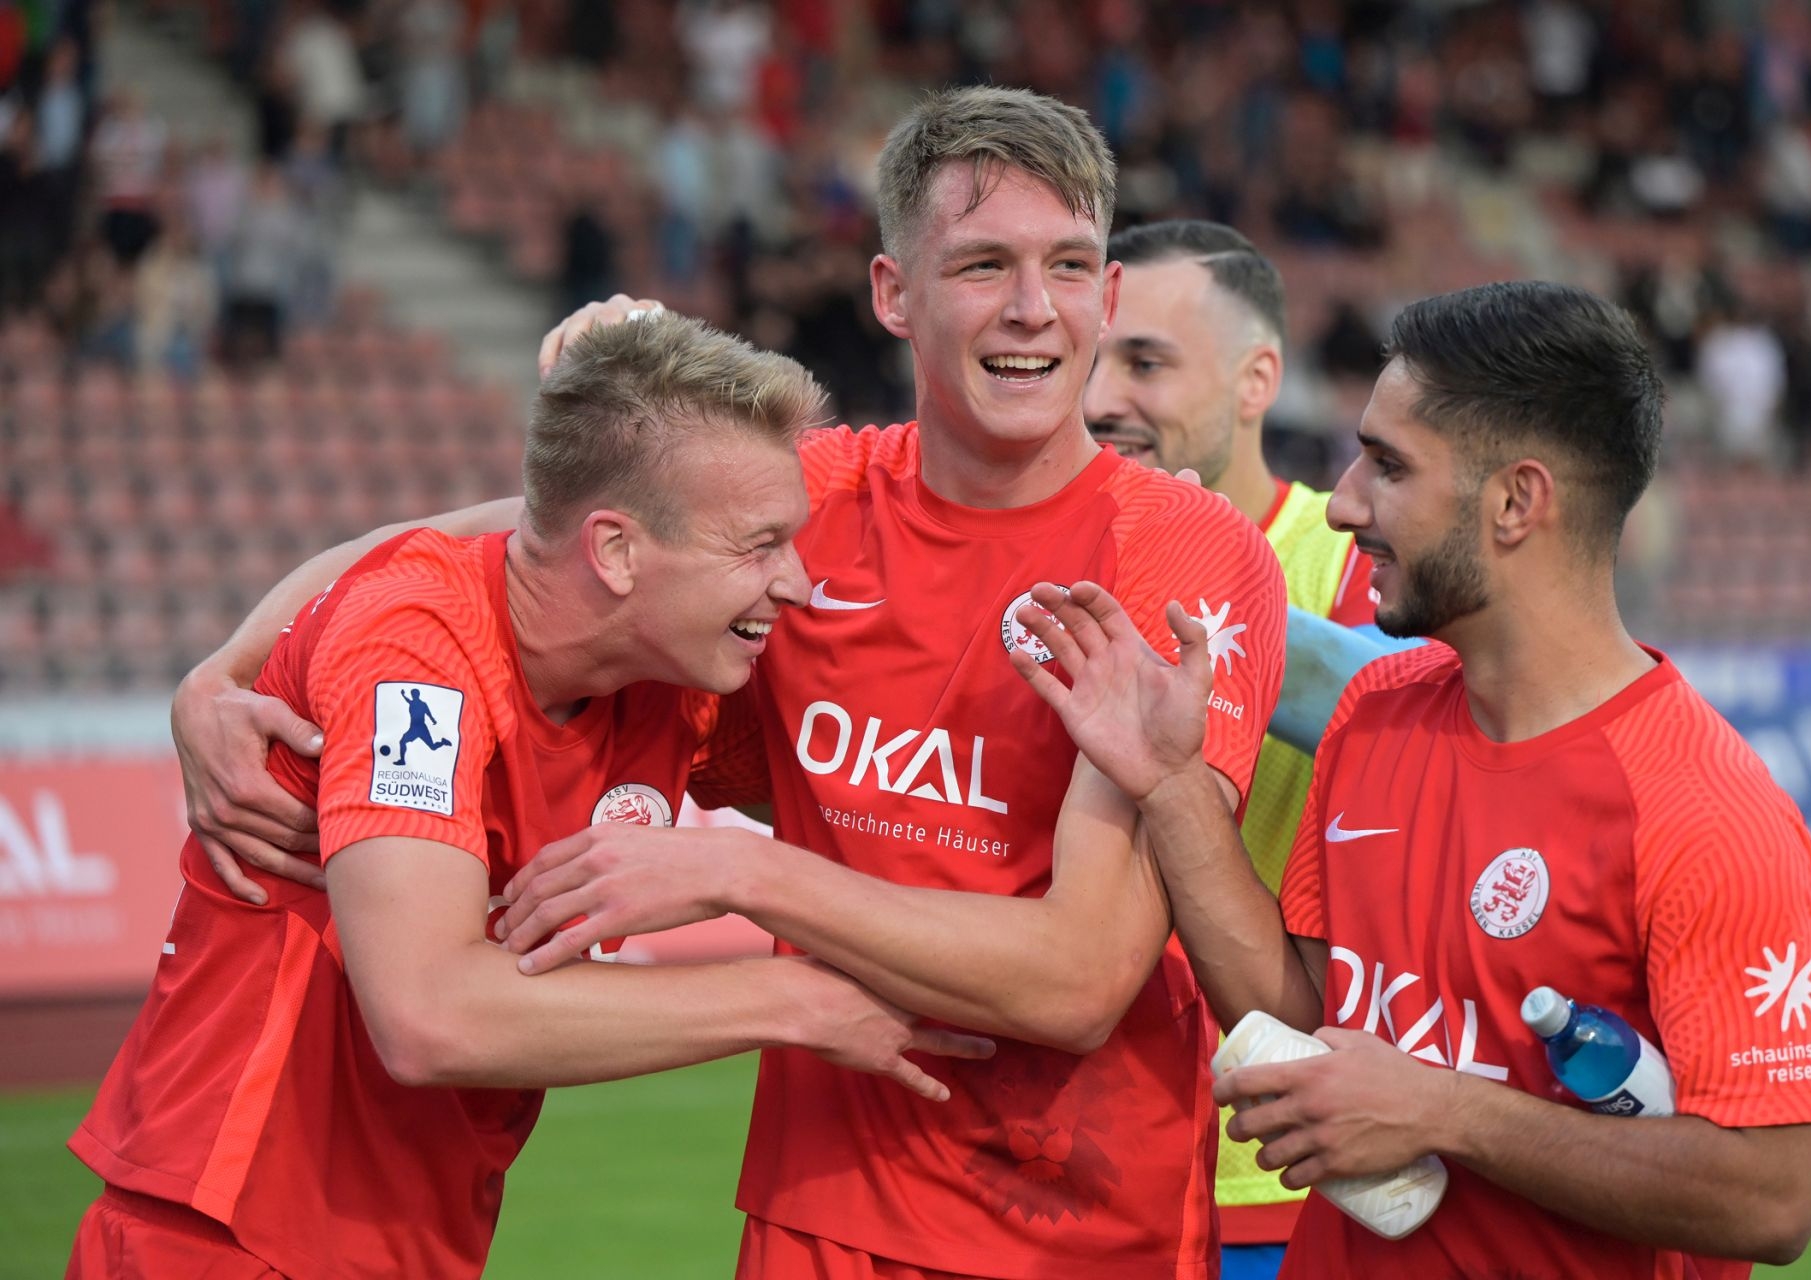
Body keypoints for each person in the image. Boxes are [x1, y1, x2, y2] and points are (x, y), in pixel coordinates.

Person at [171, 87, 1288, 1279]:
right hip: (818, 1210)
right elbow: (511, 543)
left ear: (1106, 295)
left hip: (1086, 1226)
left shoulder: (1183, 551)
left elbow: (1080, 978)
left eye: (1067, 265)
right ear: (892, 293)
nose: (1032, 307)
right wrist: (221, 675)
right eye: (982, 265)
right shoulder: (805, 501)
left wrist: (735, 870)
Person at [67, 315, 989, 1279]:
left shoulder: (668, 684)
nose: (795, 583)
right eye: (759, 547)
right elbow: (429, 1017)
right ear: (617, 554)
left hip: (405, 1243)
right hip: (222, 1235)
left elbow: (894, 809)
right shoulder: (416, 650)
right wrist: (794, 1000)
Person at [1010, 281, 1811, 1277]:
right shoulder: (1375, 712)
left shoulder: (1703, 807)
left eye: (1389, 466)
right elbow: (1305, 1018)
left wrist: (1447, 1110)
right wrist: (1172, 785)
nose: (1344, 502)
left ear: (1517, 501)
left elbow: (1772, 1197)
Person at [1083, 218, 1380, 1276]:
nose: (1099, 397)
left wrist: (1192, 581)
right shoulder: (1050, 544)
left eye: (1145, 362)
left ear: (1258, 380)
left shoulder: (1352, 555)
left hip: (1273, 1168)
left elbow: (1418, 717)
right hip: (1076, 1148)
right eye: (1089, 358)